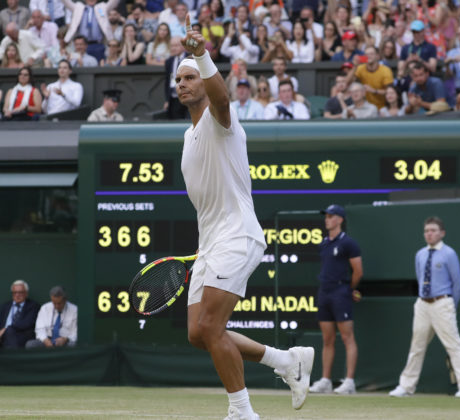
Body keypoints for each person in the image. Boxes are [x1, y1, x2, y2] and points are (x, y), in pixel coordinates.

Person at [177, 15, 314, 419]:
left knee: (212, 328)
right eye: (179, 79)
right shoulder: (188, 138)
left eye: (190, 77)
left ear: (204, 78)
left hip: (238, 236)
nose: (183, 84)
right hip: (212, 243)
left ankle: (242, 412)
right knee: (198, 334)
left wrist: (202, 54)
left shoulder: (224, 122)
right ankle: (286, 361)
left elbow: (221, 99)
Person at [389, 217, 460, 398]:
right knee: (416, 346)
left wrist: (451, 305)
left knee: (454, 345)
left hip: (442, 303)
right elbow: (420, 278)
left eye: (433, 230)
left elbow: (457, 283)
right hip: (422, 304)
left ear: (442, 233)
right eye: (427, 230)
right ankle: (406, 386)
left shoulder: (449, 254)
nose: (429, 233)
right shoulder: (420, 254)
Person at [308, 204, 363, 395]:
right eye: (326, 216)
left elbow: (358, 270)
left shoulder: (348, 243)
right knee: (327, 339)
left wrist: (349, 289)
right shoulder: (324, 243)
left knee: (348, 337)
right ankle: (325, 380)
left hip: (341, 292)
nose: (327, 220)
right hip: (324, 292)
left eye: (331, 216)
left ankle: (349, 382)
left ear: (340, 219)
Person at [0, 280, 40, 349]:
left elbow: (27, 323)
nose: (17, 295)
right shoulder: (5, 306)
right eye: (14, 292)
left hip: (22, 336)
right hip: (3, 338)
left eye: (20, 292)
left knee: (10, 331)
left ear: (26, 293)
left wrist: (6, 329)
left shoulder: (33, 306)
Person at [347, 45, 393, 110]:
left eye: (371, 54)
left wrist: (374, 91)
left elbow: (390, 91)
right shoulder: (360, 68)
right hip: (365, 108)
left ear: (377, 56)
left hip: (383, 107)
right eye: (366, 54)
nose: (368, 56)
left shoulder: (385, 70)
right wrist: (354, 66)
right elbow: (347, 82)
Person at [164, 36, 189, 119]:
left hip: (188, 96)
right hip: (174, 98)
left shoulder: (190, 58)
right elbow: (167, 81)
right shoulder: (169, 61)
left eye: (176, 45)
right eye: (171, 46)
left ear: (183, 46)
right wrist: (167, 100)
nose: (173, 48)